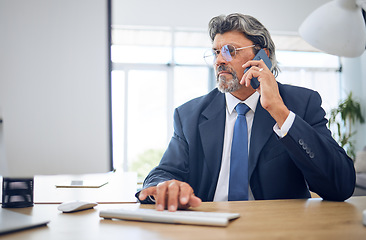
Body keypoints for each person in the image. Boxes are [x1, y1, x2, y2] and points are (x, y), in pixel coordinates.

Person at [136, 13, 356, 211]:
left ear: (262, 57)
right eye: (216, 53)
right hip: (209, 228)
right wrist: (165, 186)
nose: (219, 60)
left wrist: (280, 112)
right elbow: (161, 174)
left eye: (229, 51)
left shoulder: (302, 103)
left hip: (278, 229)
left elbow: (341, 184)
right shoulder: (188, 115)